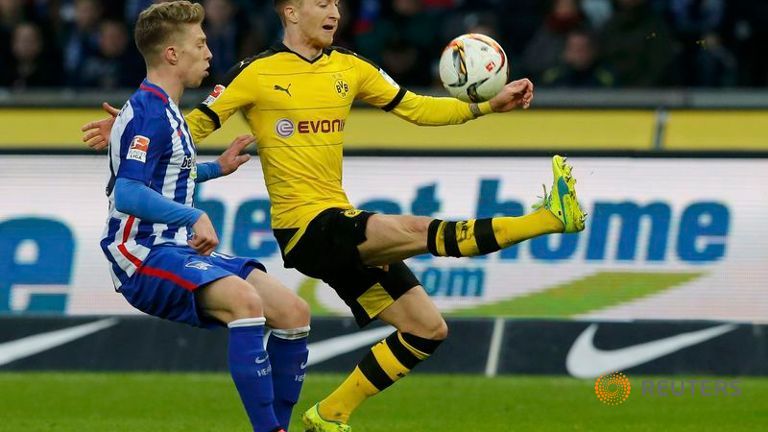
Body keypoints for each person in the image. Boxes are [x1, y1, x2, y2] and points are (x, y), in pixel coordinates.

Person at [83, 1, 587, 431]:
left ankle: (330, 414)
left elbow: (418, 108)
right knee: (411, 229)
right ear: (291, 12)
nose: (333, 11)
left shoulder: (350, 67)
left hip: (339, 224)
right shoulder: (254, 73)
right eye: (320, 2)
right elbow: (189, 130)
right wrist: (132, 128)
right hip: (306, 229)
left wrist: (487, 106)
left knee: (426, 329)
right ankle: (546, 219)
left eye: (336, 3)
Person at [97, 2, 309, 431]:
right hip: (141, 252)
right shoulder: (148, 111)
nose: (210, 52)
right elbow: (129, 192)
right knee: (245, 302)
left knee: (293, 311)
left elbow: (170, 172)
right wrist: (193, 216)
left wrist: (217, 167)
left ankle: (279, 425)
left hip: (173, 248)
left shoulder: (169, 111)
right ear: (172, 54)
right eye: (200, 43)